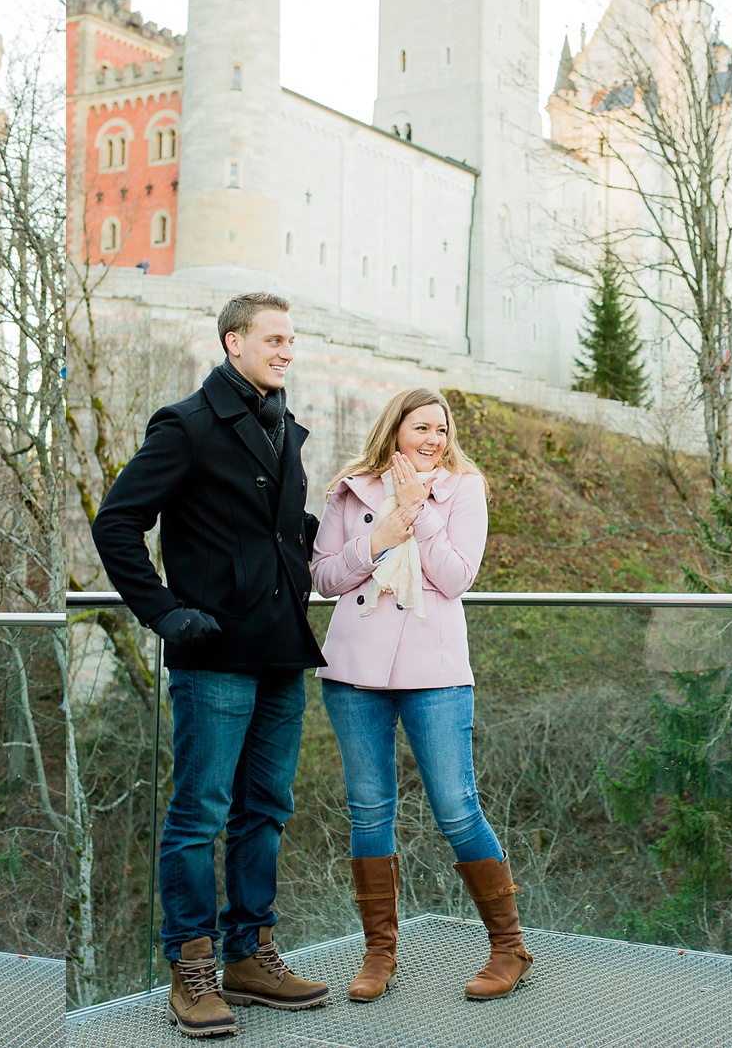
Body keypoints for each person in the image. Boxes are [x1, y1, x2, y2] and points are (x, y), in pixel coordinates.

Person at [92, 293, 329, 1038]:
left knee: (269, 809)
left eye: (292, 339)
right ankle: (192, 968)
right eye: (274, 338)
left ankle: (251, 955)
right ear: (233, 342)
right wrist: (163, 612)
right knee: (199, 814)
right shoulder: (187, 425)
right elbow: (118, 522)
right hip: (214, 653)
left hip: (282, 650)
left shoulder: (284, 425)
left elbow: (282, 532)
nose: (287, 350)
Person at [310, 388, 532, 1003]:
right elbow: (324, 577)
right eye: (421, 428)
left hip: (434, 671)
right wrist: (381, 531)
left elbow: (457, 576)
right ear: (394, 432)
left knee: (457, 806)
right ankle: (379, 955)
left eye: (441, 428)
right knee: (368, 809)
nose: (433, 439)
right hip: (354, 671)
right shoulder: (351, 488)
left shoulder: (463, 488)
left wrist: (420, 508)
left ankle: (509, 947)